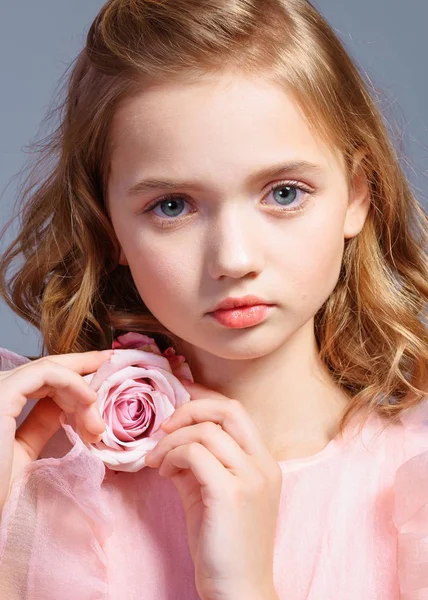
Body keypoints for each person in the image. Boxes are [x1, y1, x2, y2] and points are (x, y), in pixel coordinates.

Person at [0, 0, 427, 598]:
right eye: (172, 205)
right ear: (108, 227)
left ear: (357, 195)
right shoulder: (47, 490)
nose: (233, 258)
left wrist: (243, 588)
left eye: (283, 193)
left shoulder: (415, 490)